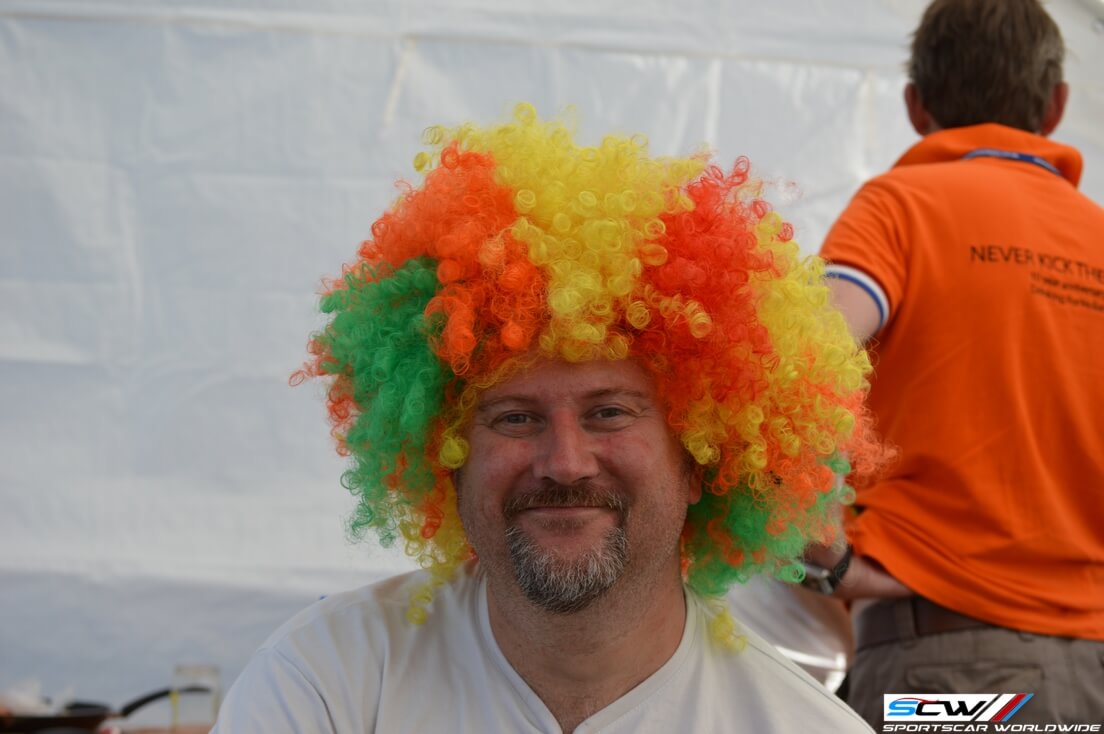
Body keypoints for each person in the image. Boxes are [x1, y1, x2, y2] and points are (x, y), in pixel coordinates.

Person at [212, 103, 882, 733]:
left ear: (704, 458)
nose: (565, 463)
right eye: (515, 418)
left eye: (609, 413)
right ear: (444, 455)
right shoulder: (325, 685)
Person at [814, 0, 1104, 726]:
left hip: (954, 668)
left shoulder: (899, 207)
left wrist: (823, 551)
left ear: (916, 105)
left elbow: (797, 361)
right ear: (1056, 106)